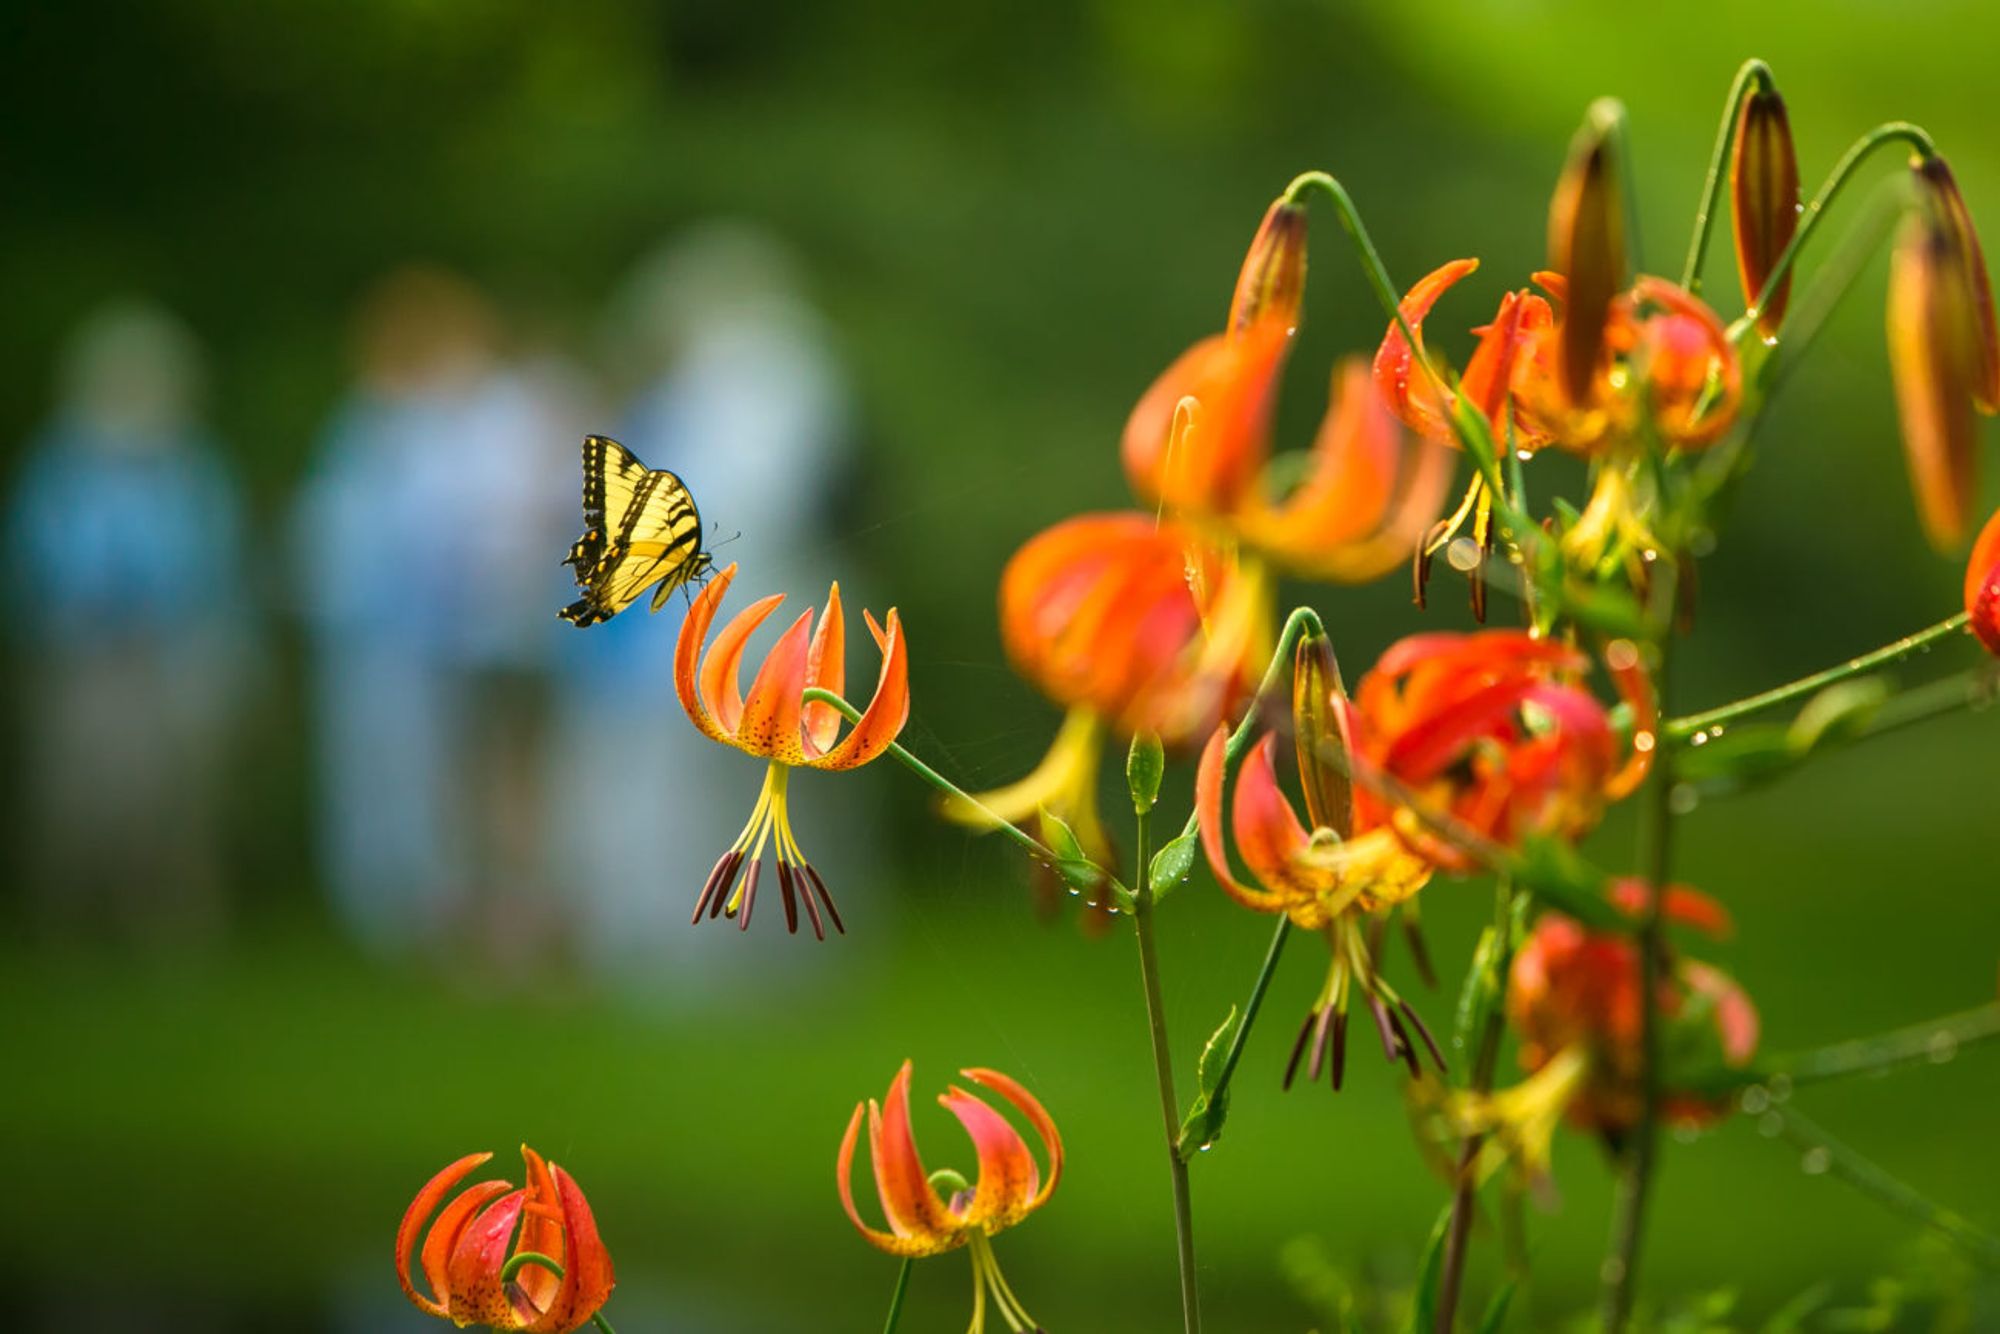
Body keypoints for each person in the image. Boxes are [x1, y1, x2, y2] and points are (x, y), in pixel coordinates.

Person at [548, 223, 864, 979]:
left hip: (748, 608)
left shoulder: (761, 376)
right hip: (739, 607)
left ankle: (735, 957)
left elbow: (749, 502)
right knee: (739, 790)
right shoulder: (761, 375)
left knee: (724, 789)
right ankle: (738, 953)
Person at [294, 267, 574, 961]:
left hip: (506, 631)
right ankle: (459, 918)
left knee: (504, 778)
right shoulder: (394, 423)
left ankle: (513, 921)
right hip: (440, 637)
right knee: (452, 784)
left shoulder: (501, 414)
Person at [5, 300, 251, 943]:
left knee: (175, 796)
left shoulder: (192, 468)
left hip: (170, 650)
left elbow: (215, 562)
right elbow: (33, 560)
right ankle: (74, 921)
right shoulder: (60, 468)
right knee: (77, 790)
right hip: (82, 651)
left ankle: (170, 921)